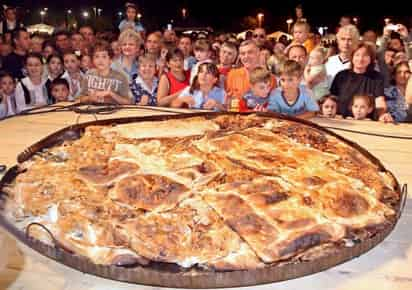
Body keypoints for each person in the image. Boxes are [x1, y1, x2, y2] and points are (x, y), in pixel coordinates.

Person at [330, 42, 393, 122]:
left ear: (371, 59)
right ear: (352, 57)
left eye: (365, 55)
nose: (360, 59)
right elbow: (333, 99)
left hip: (366, 122)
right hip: (341, 121)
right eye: (357, 55)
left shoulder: (377, 77)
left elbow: (380, 101)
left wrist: (382, 115)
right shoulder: (341, 75)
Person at [226, 40, 276, 111]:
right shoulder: (232, 74)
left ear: (258, 53)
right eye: (243, 54)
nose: (246, 56)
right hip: (237, 118)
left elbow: (274, 107)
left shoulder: (271, 78)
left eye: (250, 52)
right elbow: (228, 102)